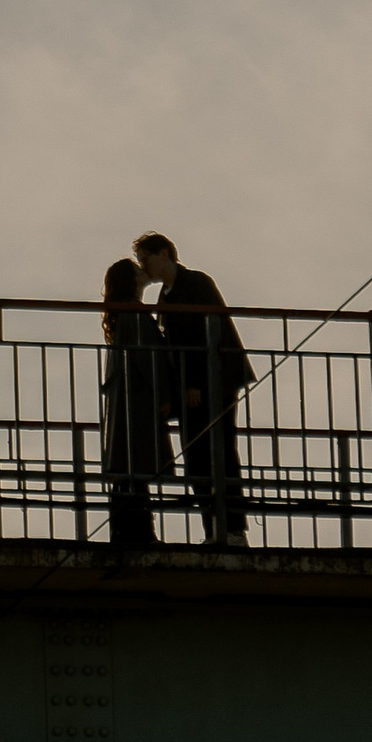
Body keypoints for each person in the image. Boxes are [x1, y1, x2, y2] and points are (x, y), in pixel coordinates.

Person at [133, 232, 254, 546]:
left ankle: (234, 530)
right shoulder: (166, 296)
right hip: (191, 390)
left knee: (221, 453)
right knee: (197, 457)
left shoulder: (196, 283)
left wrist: (197, 382)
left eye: (145, 258)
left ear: (163, 253)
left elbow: (208, 332)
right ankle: (215, 530)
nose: (142, 265)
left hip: (213, 383)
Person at [99, 255, 174, 547]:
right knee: (137, 466)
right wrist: (165, 394)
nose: (143, 273)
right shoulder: (135, 314)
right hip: (138, 401)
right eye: (137, 270)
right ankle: (141, 533)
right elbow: (148, 358)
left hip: (126, 402)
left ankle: (125, 531)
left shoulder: (121, 316)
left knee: (127, 469)